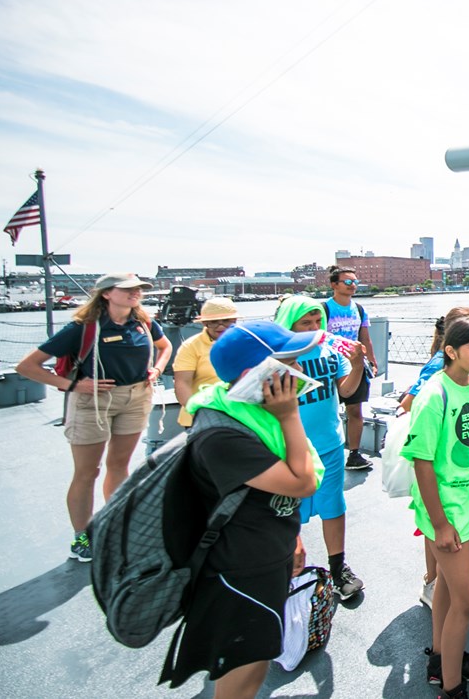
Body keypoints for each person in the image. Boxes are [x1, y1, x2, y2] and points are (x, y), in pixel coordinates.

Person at [159, 320, 322, 698]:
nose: (299, 371)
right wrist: (289, 415)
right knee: (243, 676)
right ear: (256, 375)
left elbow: (266, 495)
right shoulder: (222, 435)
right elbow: (302, 481)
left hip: (265, 553)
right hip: (239, 570)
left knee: (258, 661)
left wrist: (292, 535)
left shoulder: (248, 413)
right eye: (290, 363)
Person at [16, 272, 172, 562]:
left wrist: (157, 369)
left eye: (138, 289)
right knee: (88, 472)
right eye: (127, 289)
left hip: (136, 397)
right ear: (106, 294)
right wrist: (74, 385)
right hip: (92, 402)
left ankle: (115, 525)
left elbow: (165, 347)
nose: (135, 293)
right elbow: (27, 366)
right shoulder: (83, 328)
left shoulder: (145, 323)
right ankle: (83, 536)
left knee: (119, 465)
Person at [403, 317, 469, 698]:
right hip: (446, 513)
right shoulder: (433, 394)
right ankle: (452, 689)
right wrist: (440, 524)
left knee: (445, 585)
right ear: (451, 351)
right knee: (468, 597)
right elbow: (422, 462)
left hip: (466, 504)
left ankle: (441, 659)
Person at [273, 296, 367, 600]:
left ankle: (338, 568)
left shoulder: (332, 349)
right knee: (287, 513)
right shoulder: (275, 356)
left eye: (318, 322)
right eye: (306, 323)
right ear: (289, 324)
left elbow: (345, 391)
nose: (314, 328)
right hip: (288, 450)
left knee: (333, 506)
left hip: (329, 444)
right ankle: (289, 568)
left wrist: (356, 367)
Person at [324, 265, 379, 471]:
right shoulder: (325, 309)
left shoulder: (359, 309)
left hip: (355, 366)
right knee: (328, 410)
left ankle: (354, 454)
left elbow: (364, 337)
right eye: (348, 282)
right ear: (334, 285)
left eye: (355, 281)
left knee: (355, 409)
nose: (353, 285)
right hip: (329, 366)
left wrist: (372, 361)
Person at [172, 297, 238, 419]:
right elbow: (182, 383)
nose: (220, 326)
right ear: (204, 323)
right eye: (214, 321)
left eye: (226, 320)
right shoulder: (190, 346)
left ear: (235, 320)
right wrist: (196, 412)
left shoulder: (246, 342)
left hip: (241, 414)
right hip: (202, 413)